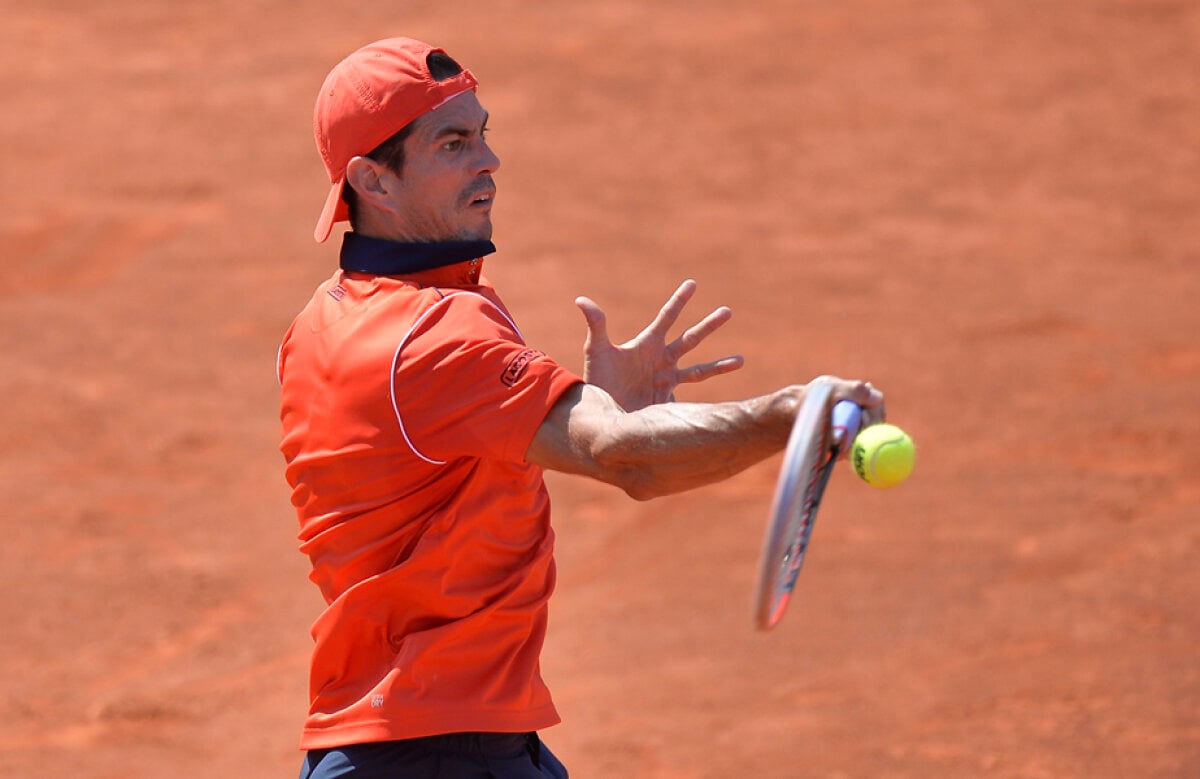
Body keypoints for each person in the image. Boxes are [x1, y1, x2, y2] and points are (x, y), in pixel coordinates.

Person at [278, 37, 885, 779]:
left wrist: (599, 410)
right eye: (453, 143)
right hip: (445, 752)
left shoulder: (320, 322)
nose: (489, 161)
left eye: (483, 134)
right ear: (373, 179)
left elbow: (438, 464)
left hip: (384, 739)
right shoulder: (437, 329)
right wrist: (792, 414)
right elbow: (624, 457)